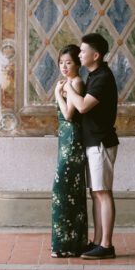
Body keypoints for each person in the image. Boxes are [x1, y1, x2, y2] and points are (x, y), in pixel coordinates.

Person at [64, 32, 119, 259]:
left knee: (103, 193)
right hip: (93, 142)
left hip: (101, 142)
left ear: (95, 55)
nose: (79, 54)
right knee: (96, 193)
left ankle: (106, 245)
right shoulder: (95, 75)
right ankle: (97, 242)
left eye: (83, 51)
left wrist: (68, 88)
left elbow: (83, 106)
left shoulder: (103, 77)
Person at [51, 44, 89, 258]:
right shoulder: (66, 82)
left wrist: (58, 93)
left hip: (73, 141)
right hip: (64, 140)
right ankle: (66, 243)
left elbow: (68, 115)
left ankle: (69, 244)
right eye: (61, 63)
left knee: (63, 189)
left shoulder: (76, 83)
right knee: (67, 191)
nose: (64, 66)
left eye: (69, 63)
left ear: (77, 64)